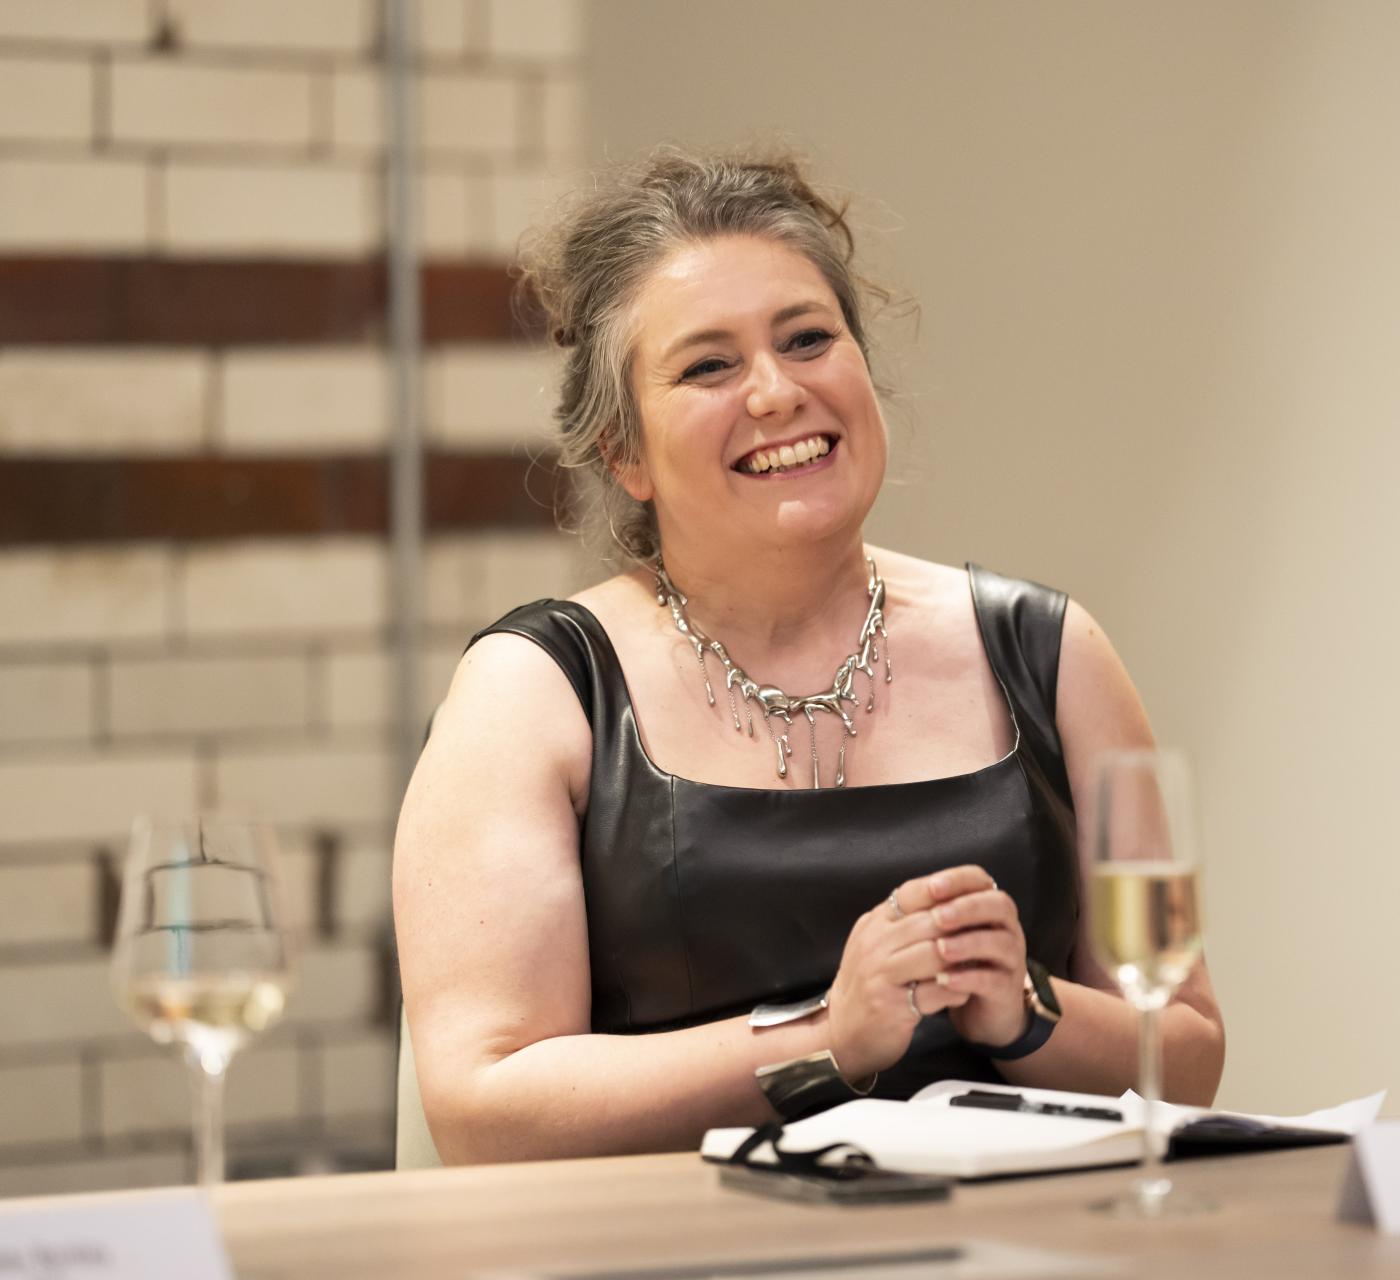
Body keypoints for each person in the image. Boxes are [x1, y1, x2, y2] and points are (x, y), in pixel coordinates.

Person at [392, 149, 1225, 1164]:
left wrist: (1029, 1008)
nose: (778, 390)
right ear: (623, 449)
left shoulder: (1056, 651)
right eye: (709, 364)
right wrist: (826, 1035)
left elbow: (1187, 1053)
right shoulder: (534, 691)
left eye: (808, 338)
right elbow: (484, 1107)